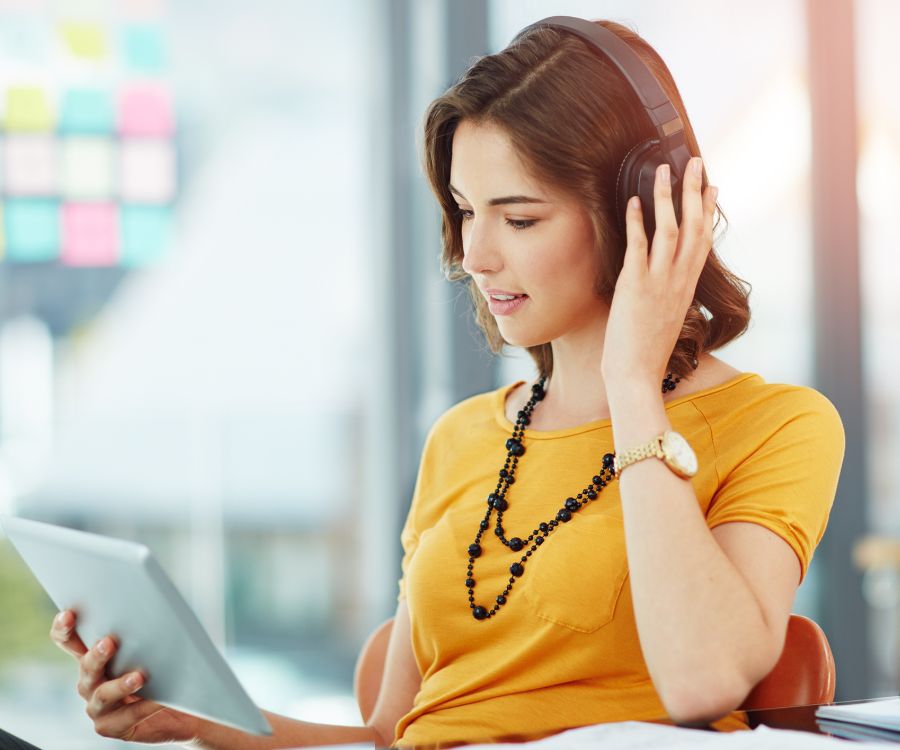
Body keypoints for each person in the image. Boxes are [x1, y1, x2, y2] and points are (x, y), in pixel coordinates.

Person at [48, 16, 845, 749]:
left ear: (645, 211)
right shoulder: (463, 438)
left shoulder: (780, 425)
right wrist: (196, 720)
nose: (475, 253)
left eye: (520, 218)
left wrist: (631, 383)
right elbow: (394, 735)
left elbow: (702, 682)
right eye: (465, 210)